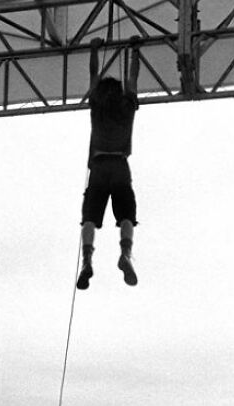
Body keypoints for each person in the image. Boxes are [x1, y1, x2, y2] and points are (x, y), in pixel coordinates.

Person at [76, 37, 140, 290]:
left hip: (99, 166)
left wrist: (94, 49)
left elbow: (93, 73)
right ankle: (125, 253)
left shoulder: (96, 104)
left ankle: (87, 259)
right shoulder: (127, 105)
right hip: (120, 166)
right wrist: (135, 50)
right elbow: (133, 77)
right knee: (126, 215)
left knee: (90, 218)